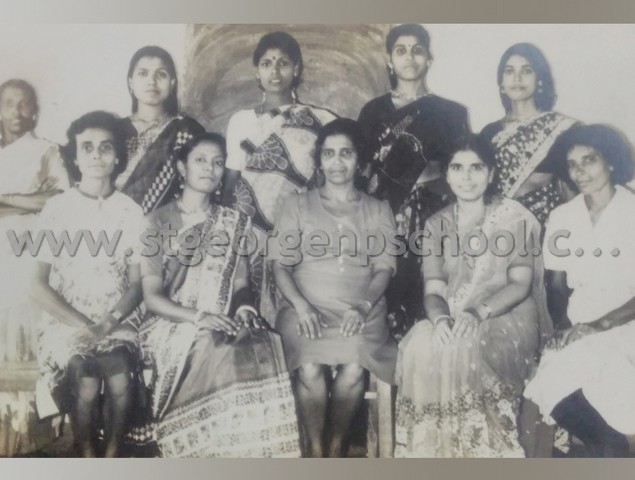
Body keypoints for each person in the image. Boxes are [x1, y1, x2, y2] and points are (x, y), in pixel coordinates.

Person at [137, 132, 301, 458]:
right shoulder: (157, 221)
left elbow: (240, 283)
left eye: (217, 163)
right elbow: (152, 298)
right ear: (181, 168)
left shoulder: (233, 221)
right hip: (173, 323)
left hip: (222, 317)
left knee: (262, 342)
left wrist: (244, 309)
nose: (209, 169)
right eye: (200, 160)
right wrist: (199, 317)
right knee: (218, 347)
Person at [394, 135, 552, 457]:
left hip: (505, 316)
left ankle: (479, 452)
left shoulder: (514, 218)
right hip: (454, 313)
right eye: (457, 168)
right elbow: (434, 289)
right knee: (424, 342)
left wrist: (477, 313)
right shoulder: (435, 224)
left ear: (491, 174)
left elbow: (520, 285)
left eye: (476, 168)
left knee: (461, 345)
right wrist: (441, 319)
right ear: (446, 174)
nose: (466, 177)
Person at [271, 119, 397, 457]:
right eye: (328, 154)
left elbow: (384, 267)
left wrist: (363, 307)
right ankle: (316, 451)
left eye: (346, 153)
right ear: (319, 161)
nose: (337, 162)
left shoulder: (378, 210)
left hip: (362, 308)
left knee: (355, 364)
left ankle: (337, 445)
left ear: (360, 161)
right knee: (309, 365)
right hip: (304, 305)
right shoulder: (296, 205)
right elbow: (280, 266)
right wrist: (301, 306)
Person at [33, 111, 144, 457]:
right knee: (86, 375)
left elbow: (137, 285)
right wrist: (86, 326)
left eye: (106, 147)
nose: (97, 155)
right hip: (66, 322)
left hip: (117, 317)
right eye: (87, 147)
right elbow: (38, 286)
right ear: (75, 157)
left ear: (118, 157)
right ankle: (86, 454)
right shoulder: (56, 209)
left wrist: (106, 324)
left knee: (119, 372)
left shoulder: (131, 212)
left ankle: (112, 454)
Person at [524, 124, 635, 457]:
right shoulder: (562, 217)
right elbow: (556, 285)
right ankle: (612, 449)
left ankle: (611, 449)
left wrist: (599, 326)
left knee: (602, 371)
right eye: (572, 164)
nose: (580, 172)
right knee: (554, 374)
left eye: (589, 160)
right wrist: (562, 326)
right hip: (580, 319)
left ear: (611, 162)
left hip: (626, 320)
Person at [357, 23, 471, 339]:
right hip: (385, 213)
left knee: (433, 289)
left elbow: (460, 167)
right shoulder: (372, 111)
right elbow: (362, 171)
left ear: (429, 59)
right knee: (387, 291)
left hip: (435, 214)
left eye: (417, 50)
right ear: (389, 60)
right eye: (401, 50)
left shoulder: (451, 113)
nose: (410, 57)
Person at [221, 31, 337, 323]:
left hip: (298, 232)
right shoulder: (240, 121)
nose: (274, 71)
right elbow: (231, 183)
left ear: (296, 69)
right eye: (266, 63)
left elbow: (326, 183)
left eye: (283, 63)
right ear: (257, 71)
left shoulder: (322, 121)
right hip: (247, 232)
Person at [0, 79, 69, 456]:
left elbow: (58, 197)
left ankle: (25, 432)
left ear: (35, 112)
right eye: (8, 103)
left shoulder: (45, 151)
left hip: (25, 245)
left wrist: (8, 199)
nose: (16, 110)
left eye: (24, 103)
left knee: (22, 328)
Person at [480, 43, 578, 226]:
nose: (517, 78)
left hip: (546, 229)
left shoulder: (563, 129)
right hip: (497, 231)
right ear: (501, 83)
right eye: (509, 71)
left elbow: (573, 194)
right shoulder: (489, 133)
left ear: (539, 79)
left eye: (526, 71)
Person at [116, 45, 205, 214]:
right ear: (131, 83)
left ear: (172, 83)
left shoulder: (187, 130)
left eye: (161, 74)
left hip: (168, 224)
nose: (152, 81)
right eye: (143, 73)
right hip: (113, 222)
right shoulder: (113, 130)